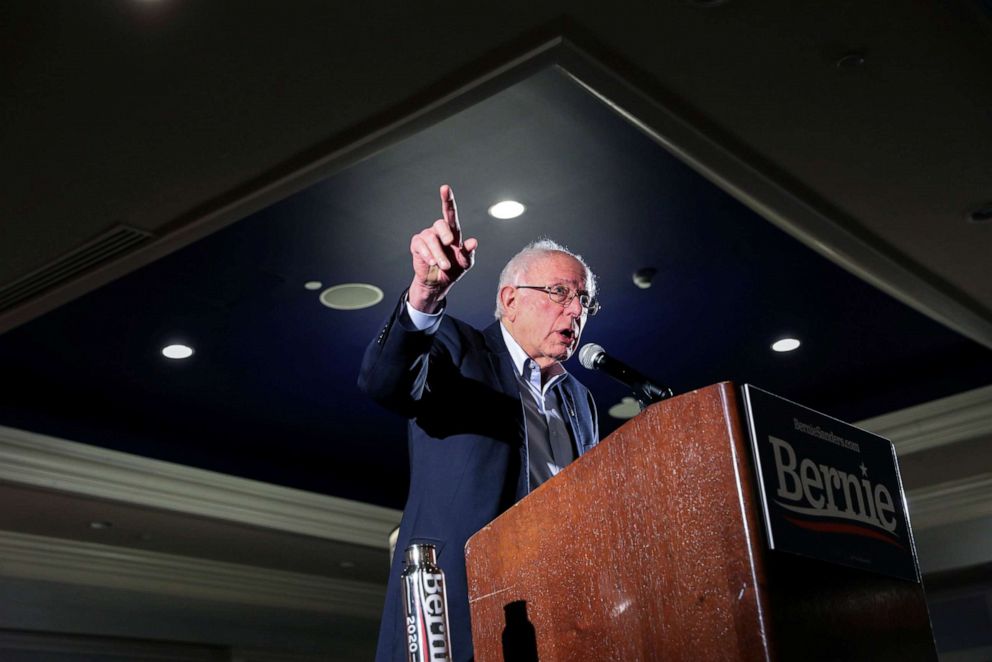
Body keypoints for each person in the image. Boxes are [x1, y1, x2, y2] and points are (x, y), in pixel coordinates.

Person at [359, 184, 600, 661]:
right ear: (510, 299)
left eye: (584, 301)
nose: (575, 311)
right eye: (559, 293)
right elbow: (383, 382)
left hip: (557, 619)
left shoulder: (581, 398)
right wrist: (425, 296)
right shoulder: (455, 348)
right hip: (455, 619)